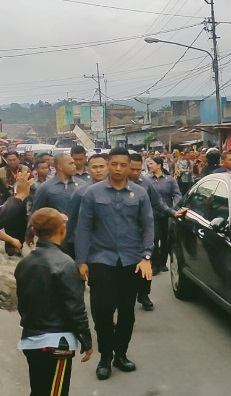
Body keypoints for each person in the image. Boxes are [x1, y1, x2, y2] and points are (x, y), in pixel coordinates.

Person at [75, 147, 154, 380]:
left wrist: (147, 255)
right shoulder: (92, 193)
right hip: (101, 260)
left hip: (131, 261)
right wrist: (81, 261)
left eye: (123, 165)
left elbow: (148, 226)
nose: (118, 169)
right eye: (114, 164)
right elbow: (83, 229)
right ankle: (105, 357)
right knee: (103, 310)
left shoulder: (140, 193)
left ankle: (121, 354)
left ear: (130, 167)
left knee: (127, 312)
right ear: (108, 164)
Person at [15, 208, 93, 396]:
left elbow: (23, 304)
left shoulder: (24, 264)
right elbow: (75, 309)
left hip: (31, 342)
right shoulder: (65, 264)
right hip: (57, 345)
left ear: (34, 230)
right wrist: (86, 340)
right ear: (62, 229)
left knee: (39, 391)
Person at [129, 153, 185, 311]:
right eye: (131, 169)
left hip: (144, 230)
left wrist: (173, 213)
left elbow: (158, 203)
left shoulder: (146, 183)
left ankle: (144, 294)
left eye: (138, 169)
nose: (134, 173)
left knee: (147, 262)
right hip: (122, 233)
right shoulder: (115, 184)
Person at [25, 154, 82, 250]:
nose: (74, 165)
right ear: (60, 166)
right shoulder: (46, 188)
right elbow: (37, 212)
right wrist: (29, 234)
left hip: (78, 236)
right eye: (71, 163)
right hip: (55, 238)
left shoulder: (82, 186)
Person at [64, 154, 109, 258]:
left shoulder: (117, 190)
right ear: (88, 170)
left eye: (102, 167)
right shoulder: (80, 192)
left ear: (108, 168)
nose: (98, 170)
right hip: (88, 246)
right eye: (94, 167)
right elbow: (70, 221)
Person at [146, 157, 182, 274]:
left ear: (159, 165)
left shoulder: (170, 180)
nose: (149, 166)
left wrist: (174, 209)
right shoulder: (147, 180)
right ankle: (155, 264)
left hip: (167, 213)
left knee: (165, 238)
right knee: (154, 239)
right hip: (152, 213)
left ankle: (163, 262)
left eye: (151, 163)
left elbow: (177, 195)